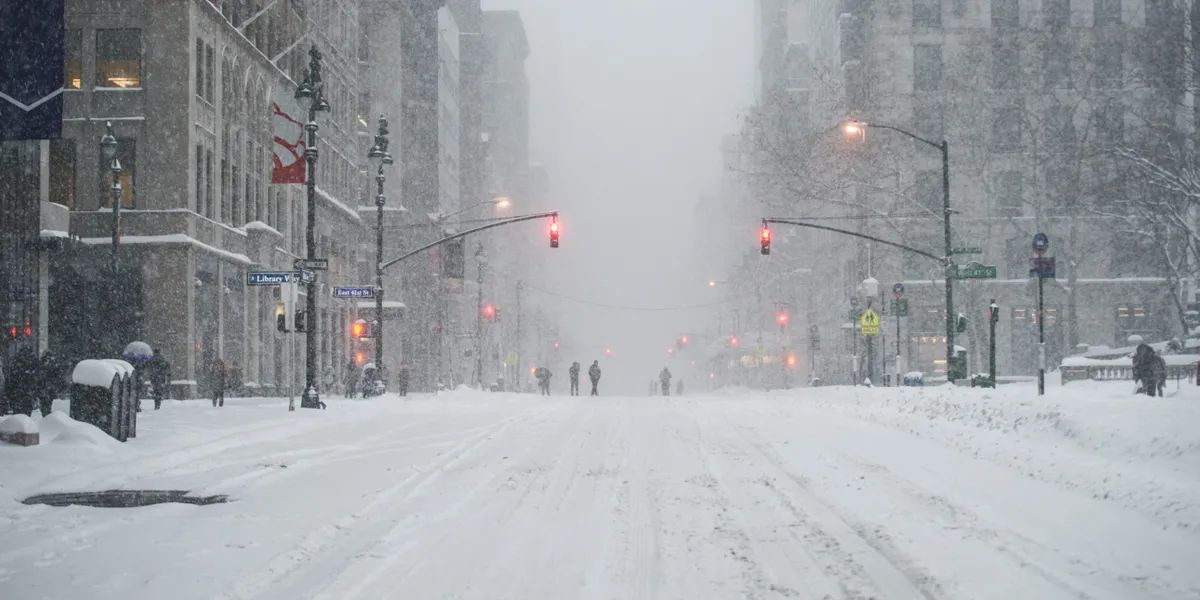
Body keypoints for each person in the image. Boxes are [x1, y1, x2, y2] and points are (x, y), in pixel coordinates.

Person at [5, 348, 40, 416]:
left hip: (17, 394)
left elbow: (11, 380)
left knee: (17, 415)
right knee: (26, 414)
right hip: (27, 394)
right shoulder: (32, 364)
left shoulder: (16, 363)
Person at [38, 350, 64, 417]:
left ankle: (46, 416)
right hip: (50, 388)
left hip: (45, 388)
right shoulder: (54, 364)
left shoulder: (42, 364)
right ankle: (47, 416)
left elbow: (39, 376)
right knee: (47, 404)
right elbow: (59, 376)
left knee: (44, 404)